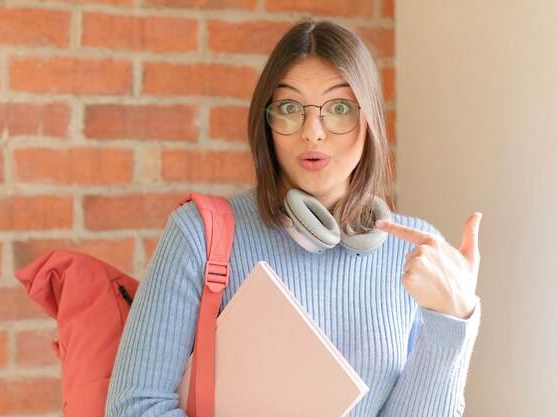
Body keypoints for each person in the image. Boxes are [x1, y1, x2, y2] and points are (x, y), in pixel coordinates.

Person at [106, 19, 481, 417]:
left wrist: (451, 320)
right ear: (266, 123)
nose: (312, 132)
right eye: (289, 108)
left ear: (369, 118)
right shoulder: (201, 233)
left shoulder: (417, 253)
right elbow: (134, 406)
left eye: (339, 108)